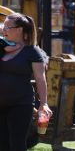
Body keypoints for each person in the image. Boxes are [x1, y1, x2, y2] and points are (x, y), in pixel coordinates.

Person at [0, 13, 52, 150]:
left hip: (21, 104)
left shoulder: (32, 52)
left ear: (20, 29)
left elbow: (40, 79)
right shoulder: (2, 47)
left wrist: (44, 104)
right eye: (3, 26)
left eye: (7, 27)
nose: (3, 29)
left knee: (17, 144)